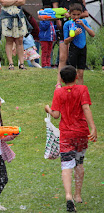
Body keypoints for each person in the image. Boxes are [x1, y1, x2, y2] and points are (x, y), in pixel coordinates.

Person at [45, 65, 97, 212]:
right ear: (76, 77)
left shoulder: (59, 92)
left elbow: (55, 115)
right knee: (79, 164)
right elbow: (86, 108)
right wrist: (93, 127)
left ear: (61, 79)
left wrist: (48, 109)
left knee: (66, 165)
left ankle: (68, 196)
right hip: (81, 133)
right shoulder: (82, 89)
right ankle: (78, 195)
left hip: (66, 135)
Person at [52, 0, 88, 89]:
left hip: (77, 33)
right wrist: (60, 17)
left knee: (75, 62)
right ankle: (59, 82)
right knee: (62, 58)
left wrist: (73, 16)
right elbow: (55, 12)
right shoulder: (62, 2)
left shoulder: (77, 3)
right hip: (65, 30)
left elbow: (86, 13)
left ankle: (75, 84)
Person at [63, 3, 94, 85]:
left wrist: (83, 25)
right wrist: (73, 35)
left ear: (81, 14)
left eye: (78, 15)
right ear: (69, 14)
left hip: (83, 48)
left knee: (81, 73)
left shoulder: (83, 22)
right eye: (73, 15)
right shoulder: (67, 24)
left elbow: (92, 34)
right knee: (72, 73)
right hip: (73, 49)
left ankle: (80, 91)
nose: (76, 17)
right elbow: (66, 41)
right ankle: (71, 89)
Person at [0, 0, 31, 70]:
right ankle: (11, 63)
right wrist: (15, 1)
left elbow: (22, 2)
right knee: (9, 41)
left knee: (20, 41)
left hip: (18, 15)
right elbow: (3, 3)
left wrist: (9, 2)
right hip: (7, 16)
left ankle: (21, 63)